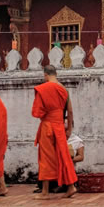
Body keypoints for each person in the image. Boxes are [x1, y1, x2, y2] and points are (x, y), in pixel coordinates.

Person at [32, 65, 77, 199]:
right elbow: (70, 111)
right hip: (60, 126)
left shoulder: (43, 88)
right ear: (56, 74)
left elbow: (37, 111)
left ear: (45, 75)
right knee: (63, 156)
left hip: (47, 126)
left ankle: (45, 192)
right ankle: (71, 186)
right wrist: (69, 129)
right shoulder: (64, 89)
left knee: (46, 158)